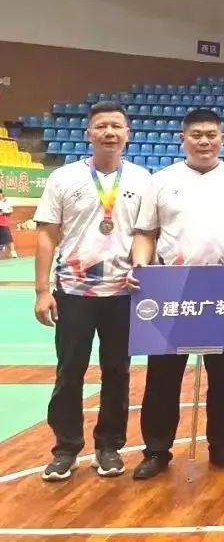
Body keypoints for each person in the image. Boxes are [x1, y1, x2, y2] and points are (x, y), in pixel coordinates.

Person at [130, 108, 224, 479]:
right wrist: (140, 266)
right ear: (182, 138)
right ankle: (157, 450)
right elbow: (145, 233)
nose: (204, 141)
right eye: (197, 135)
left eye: (211, 135)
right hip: (170, 289)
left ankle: (223, 445)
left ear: (222, 138)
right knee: (162, 376)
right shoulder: (160, 181)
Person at [32, 102, 151, 480]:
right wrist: (42, 290)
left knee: (117, 372)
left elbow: (147, 234)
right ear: (89, 133)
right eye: (101, 126)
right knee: (69, 372)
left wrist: (142, 270)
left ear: (128, 133)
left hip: (123, 293)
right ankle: (65, 449)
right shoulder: (63, 178)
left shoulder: (143, 180)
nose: (109, 132)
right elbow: (47, 235)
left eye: (117, 125)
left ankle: (109, 446)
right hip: (72, 292)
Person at [0, 189, 16, 258]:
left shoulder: (7, 201)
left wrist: (3, 212)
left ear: (1, 193)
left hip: (4, 221)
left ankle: (13, 251)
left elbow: (11, 210)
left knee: (8, 237)